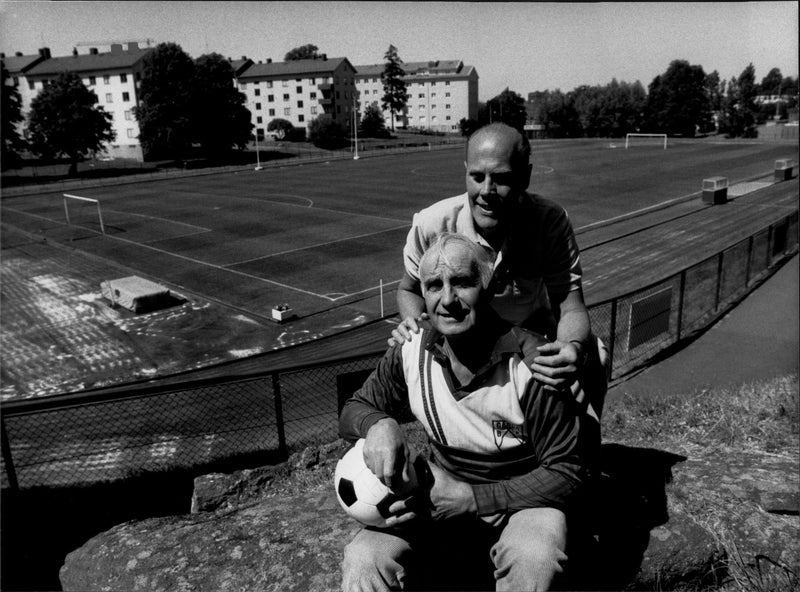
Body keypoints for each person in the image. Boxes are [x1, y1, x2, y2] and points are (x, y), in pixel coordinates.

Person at [340, 233, 599, 591]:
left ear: (488, 287)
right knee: (364, 558)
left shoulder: (534, 364)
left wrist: (472, 499)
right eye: (434, 286)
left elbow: (569, 472)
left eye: (462, 282)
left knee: (535, 555)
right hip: (439, 500)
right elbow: (355, 407)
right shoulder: (409, 349)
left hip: (523, 503)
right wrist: (379, 423)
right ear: (423, 296)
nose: (448, 299)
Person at [392, 122, 607, 421]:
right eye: (477, 177)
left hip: (528, 334)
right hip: (461, 341)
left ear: (526, 177)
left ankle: (584, 454)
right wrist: (414, 322)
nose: (486, 191)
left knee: (593, 353)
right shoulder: (433, 224)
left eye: (501, 178)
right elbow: (408, 290)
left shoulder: (549, 222)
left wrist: (571, 348)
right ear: (466, 170)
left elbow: (570, 306)